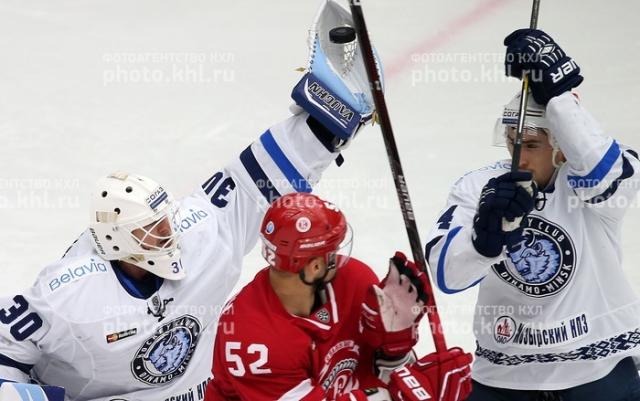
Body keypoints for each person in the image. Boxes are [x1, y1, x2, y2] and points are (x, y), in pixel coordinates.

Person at [0, 2, 383, 400]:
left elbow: (253, 182)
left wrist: (327, 121)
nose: (168, 233)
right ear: (117, 244)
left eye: (164, 218)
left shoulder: (199, 235)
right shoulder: (71, 293)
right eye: (150, 230)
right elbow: (6, 349)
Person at [424, 29, 640, 400]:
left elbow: (605, 176)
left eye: (532, 145)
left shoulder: (595, 183)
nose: (517, 158)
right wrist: (484, 241)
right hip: (505, 380)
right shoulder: (480, 187)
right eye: (512, 142)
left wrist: (558, 95)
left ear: (561, 145)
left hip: (597, 375)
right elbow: (446, 275)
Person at [205, 192, 473, 401]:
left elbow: (380, 372)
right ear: (314, 267)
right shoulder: (250, 337)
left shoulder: (353, 280)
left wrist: (396, 353)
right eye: (330, 253)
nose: (338, 258)